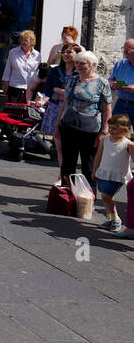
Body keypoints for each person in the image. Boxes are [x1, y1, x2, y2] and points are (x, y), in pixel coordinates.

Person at [58, 50, 111, 185]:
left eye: (82, 63)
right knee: (67, 166)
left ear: (93, 65)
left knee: (89, 167)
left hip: (90, 131)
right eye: (77, 63)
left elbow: (106, 109)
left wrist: (104, 132)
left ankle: (87, 201)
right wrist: (57, 125)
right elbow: (65, 103)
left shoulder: (102, 83)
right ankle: (66, 199)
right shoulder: (71, 80)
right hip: (68, 126)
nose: (78, 66)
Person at [92, 114, 130, 232]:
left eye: (114, 128)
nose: (111, 130)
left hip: (117, 175)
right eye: (110, 128)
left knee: (106, 196)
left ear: (124, 130)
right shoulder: (105, 140)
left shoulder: (128, 144)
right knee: (106, 197)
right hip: (104, 172)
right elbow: (98, 156)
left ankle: (116, 219)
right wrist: (94, 170)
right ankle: (110, 219)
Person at [0, 30, 41, 104]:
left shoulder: (37, 55)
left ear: (32, 42)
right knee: (13, 110)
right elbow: (8, 69)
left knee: (28, 111)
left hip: (30, 88)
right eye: (21, 40)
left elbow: (37, 72)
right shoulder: (13, 52)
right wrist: (6, 85)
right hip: (15, 87)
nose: (23, 42)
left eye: (26, 40)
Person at [109, 38, 134, 120]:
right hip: (121, 102)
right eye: (125, 50)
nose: (126, 53)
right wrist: (113, 84)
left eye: (129, 50)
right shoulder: (120, 64)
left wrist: (129, 88)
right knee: (115, 129)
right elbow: (110, 80)